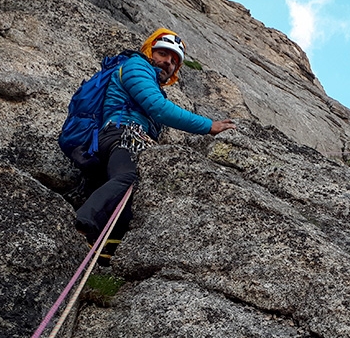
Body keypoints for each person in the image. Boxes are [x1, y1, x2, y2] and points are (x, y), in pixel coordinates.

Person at [72, 28, 235, 248]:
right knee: (129, 177)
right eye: (163, 54)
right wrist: (208, 126)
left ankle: (104, 244)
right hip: (121, 133)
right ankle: (84, 222)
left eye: (174, 61)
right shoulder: (136, 66)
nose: (168, 62)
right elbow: (159, 109)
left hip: (121, 135)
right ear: (150, 51)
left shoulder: (150, 81)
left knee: (133, 191)